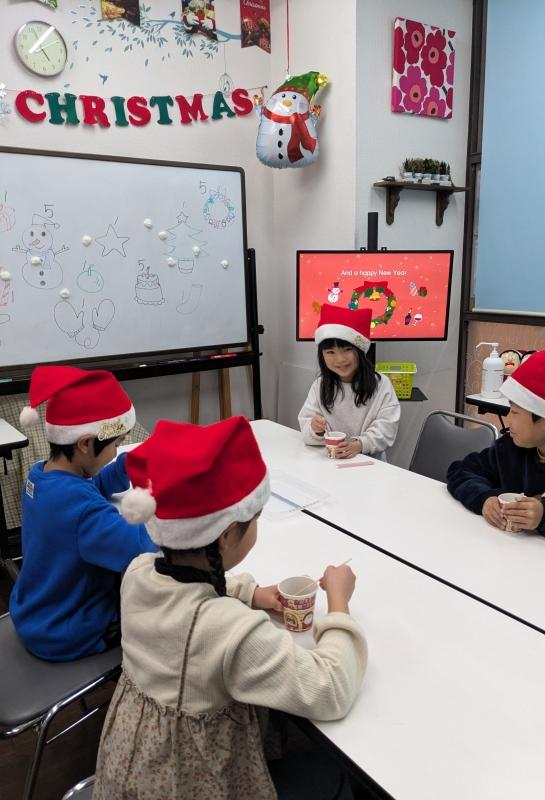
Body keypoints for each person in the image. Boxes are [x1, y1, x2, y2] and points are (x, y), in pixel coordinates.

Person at [94, 416, 367, 800]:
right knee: (331, 775)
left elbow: (180, 595)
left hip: (133, 769)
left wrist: (250, 592)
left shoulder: (138, 573)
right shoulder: (230, 631)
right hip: (192, 781)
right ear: (225, 535)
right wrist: (339, 604)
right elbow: (330, 689)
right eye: (253, 519)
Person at [9, 366, 157, 661]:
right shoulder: (84, 512)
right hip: (69, 630)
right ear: (86, 443)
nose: (116, 451)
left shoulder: (40, 477)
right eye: (115, 444)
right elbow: (140, 547)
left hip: (35, 613)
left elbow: (86, 489)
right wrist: (172, 504)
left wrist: (123, 466)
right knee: (158, 611)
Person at [447, 348, 545, 548]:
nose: (508, 419)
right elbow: (460, 470)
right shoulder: (510, 448)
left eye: (516, 412)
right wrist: (484, 499)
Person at [298, 304, 400, 460]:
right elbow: (306, 425)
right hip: (329, 463)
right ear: (322, 355)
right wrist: (315, 429)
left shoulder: (381, 384)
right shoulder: (320, 385)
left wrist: (360, 445)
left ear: (360, 350)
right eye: (330, 352)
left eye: (347, 350)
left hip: (369, 465)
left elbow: (387, 427)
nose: (340, 359)